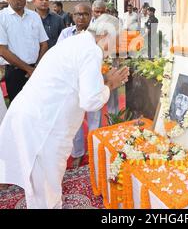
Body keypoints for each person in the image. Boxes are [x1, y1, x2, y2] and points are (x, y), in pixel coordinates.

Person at [0, 14, 129, 209]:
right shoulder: (91, 50)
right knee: (46, 186)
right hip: (44, 125)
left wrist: (102, 80)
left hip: (33, 117)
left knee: (39, 184)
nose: (116, 46)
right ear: (104, 34)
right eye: (116, 39)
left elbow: (76, 82)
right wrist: (110, 84)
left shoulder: (76, 42)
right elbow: (90, 100)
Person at [57, 3, 100, 168]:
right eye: (77, 14)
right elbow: (60, 56)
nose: (81, 17)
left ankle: (94, 152)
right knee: (74, 119)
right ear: (72, 16)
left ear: (91, 16)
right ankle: (77, 153)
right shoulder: (66, 34)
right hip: (72, 83)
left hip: (93, 81)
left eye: (84, 14)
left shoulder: (98, 34)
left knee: (94, 120)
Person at [0, 0, 48, 102]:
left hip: (36, 70)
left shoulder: (34, 16)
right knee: (19, 111)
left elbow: (44, 44)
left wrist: (36, 67)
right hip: (15, 72)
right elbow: (2, 49)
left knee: (38, 107)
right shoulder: (2, 17)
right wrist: (28, 69)